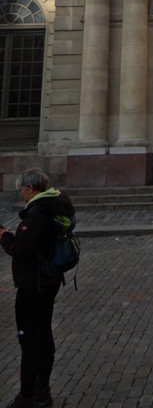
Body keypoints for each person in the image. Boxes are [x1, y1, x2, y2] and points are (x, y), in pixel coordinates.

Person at [0, 168, 76, 408]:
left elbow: (20, 251)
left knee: (29, 338)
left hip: (34, 283)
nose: (21, 194)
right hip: (50, 279)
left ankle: (28, 395)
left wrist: (4, 237)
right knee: (43, 334)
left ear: (30, 189)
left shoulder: (37, 213)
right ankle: (43, 389)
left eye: (21, 190)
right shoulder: (54, 204)